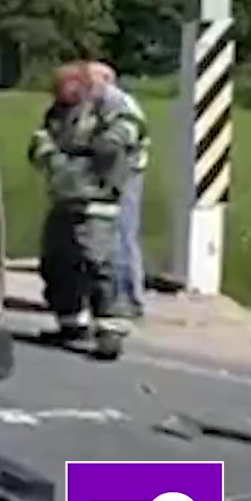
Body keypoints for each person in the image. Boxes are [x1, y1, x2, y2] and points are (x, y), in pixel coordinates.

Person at [28, 62, 142, 360]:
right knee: (59, 260)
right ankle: (71, 321)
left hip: (98, 196)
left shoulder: (112, 105)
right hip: (64, 195)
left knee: (101, 262)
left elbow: (126, 133)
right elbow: (41, 138)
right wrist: (51, 158)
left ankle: (111, 328)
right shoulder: (58, 110)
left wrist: (97, 152)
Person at [84, 61, 149, 316]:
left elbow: (128, 134)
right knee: (105, 233)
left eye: (91, 81)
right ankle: (107, 295)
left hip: (126, 173)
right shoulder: (95, 104)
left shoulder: (120, 104)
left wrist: (100, 145)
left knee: (122, 232)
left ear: (106, 80)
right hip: (106, 173)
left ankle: (130, 297)